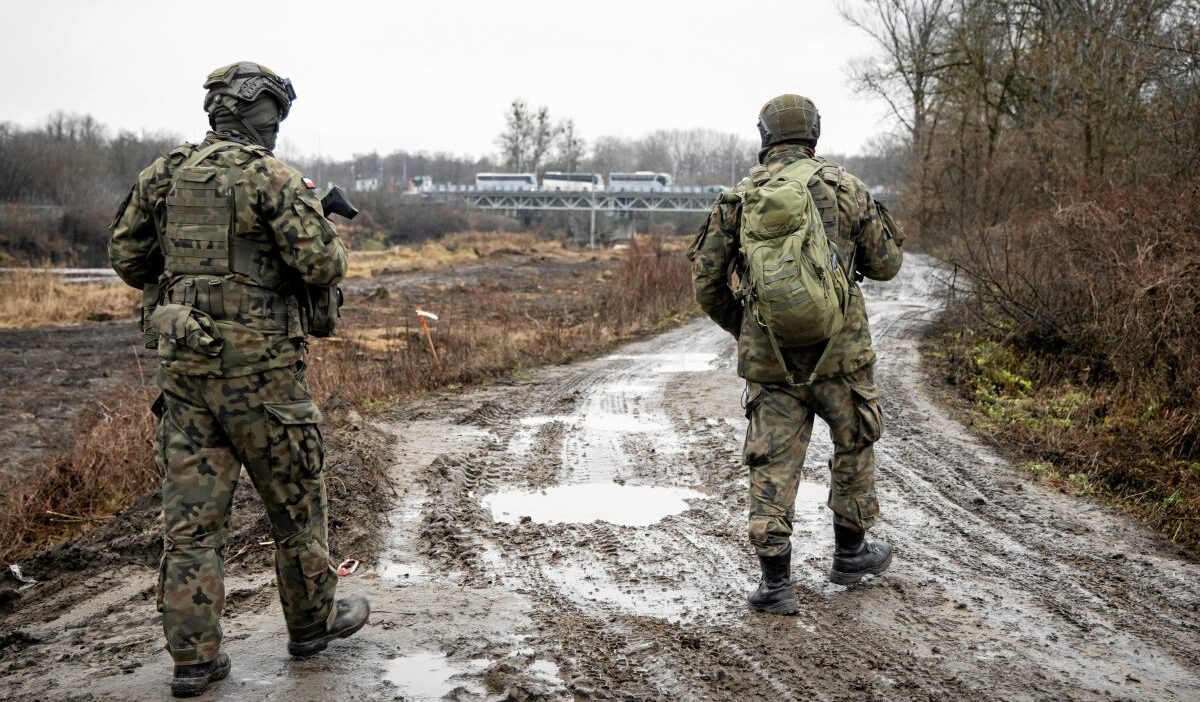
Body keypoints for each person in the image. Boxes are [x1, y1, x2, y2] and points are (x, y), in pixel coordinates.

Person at [108, 61, 368, 697]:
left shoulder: (164, 175)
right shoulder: (271, 178)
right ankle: (312, 626)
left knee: (192, 528)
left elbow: (126, 257)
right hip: (265, 380)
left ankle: (194, 661)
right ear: (267, 117)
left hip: (187, 378)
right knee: (295, 508)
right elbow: (323, 262)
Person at [687, 94, 904, 616]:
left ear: (765, 137)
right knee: (854, 445)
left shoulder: (737, 200)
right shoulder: (846, 188)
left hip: (772, 363)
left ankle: (776, 584)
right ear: (814, 135)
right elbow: (887, 265)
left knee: (772, 462)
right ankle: (850, 554)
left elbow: (707, 283)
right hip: (843, 357)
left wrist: (750, 330)